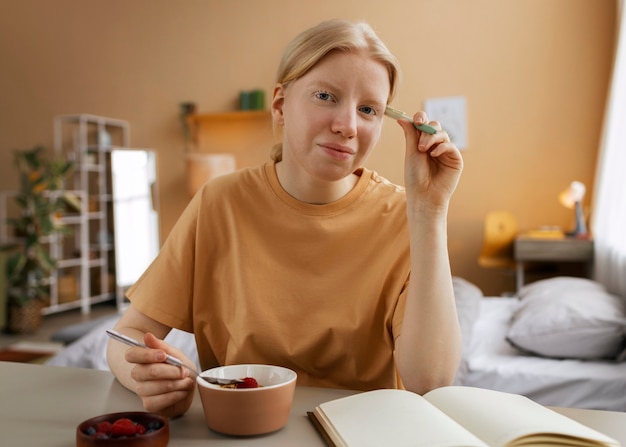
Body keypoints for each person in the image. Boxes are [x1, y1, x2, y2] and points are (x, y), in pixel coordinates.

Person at [107, 18, 463, 418]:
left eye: (368, 109)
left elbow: (429, 384)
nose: (347, 125)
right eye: (326, 96)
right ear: (280, 105)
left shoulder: (406, 216)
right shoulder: (218, 204)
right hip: (241, 433)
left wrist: (429, 212)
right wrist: (145, 376)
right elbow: (125, 335)